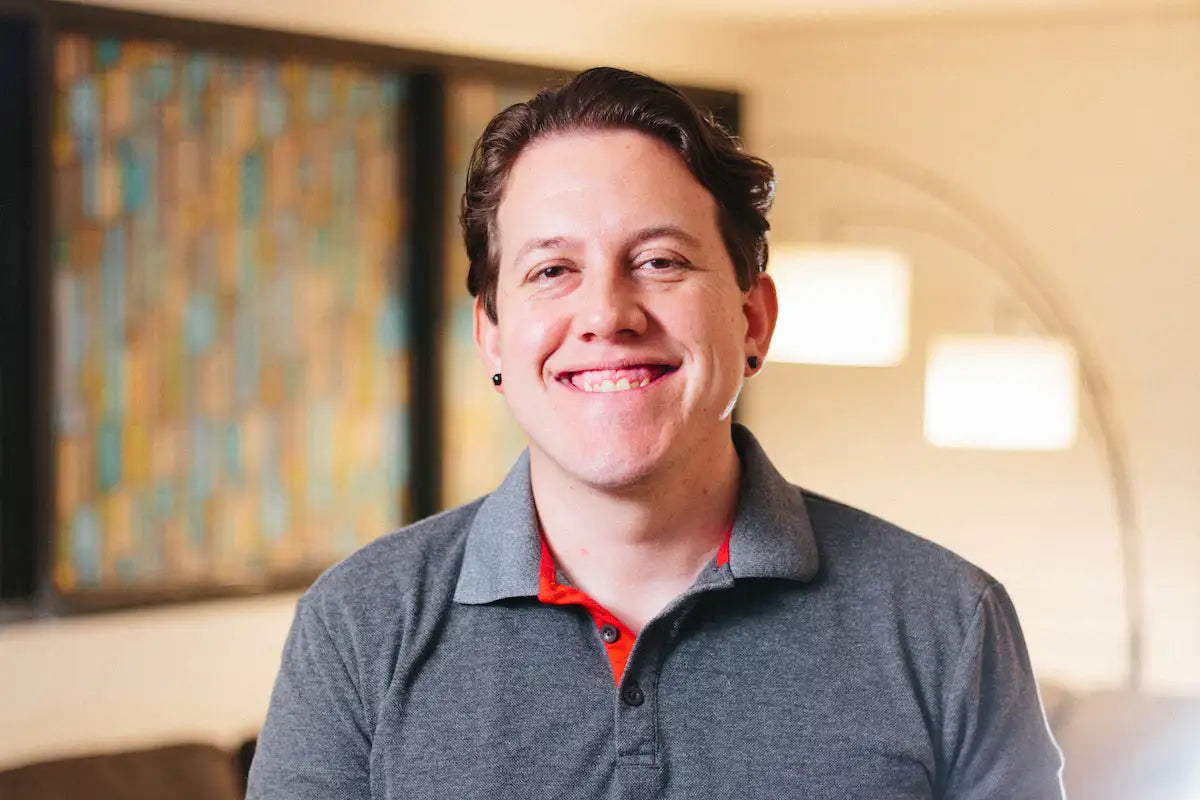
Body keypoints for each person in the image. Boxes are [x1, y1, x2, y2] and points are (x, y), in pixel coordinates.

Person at [247, 66, 1064, 799]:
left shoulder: (948, 626)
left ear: (752, 319)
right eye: (552, 271)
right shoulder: (360, 626)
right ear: (492, 337)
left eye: (660, 261)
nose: (606, 314)